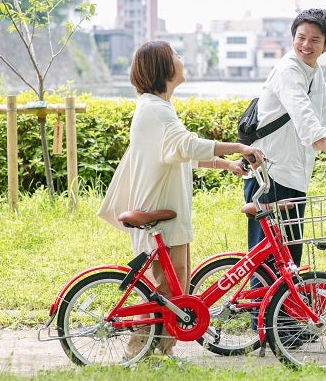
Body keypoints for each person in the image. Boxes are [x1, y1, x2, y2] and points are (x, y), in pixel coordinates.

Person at [98, 40, 264, 359]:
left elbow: (178, 152)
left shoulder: (158, 107)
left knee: (173, 290)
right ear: (163, 67)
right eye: (175, 55)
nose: (181, 59)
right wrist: (240, 148)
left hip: (167, 214)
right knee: (163, 292)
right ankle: (138, 354)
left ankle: (160, 352)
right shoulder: (156, 110)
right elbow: (186, 144)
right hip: (160, 217)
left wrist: (226, 164)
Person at [244, 7, 326, 273]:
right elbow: (304, 117)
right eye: (301, 37)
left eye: (315, 40)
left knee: (289, 256)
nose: (306, 45)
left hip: (293, 174)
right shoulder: (289, 70)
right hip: (270, 174)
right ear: (293, 38)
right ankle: (261, 315)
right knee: (269, 260)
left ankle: (284, 314)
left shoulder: (314, 72)